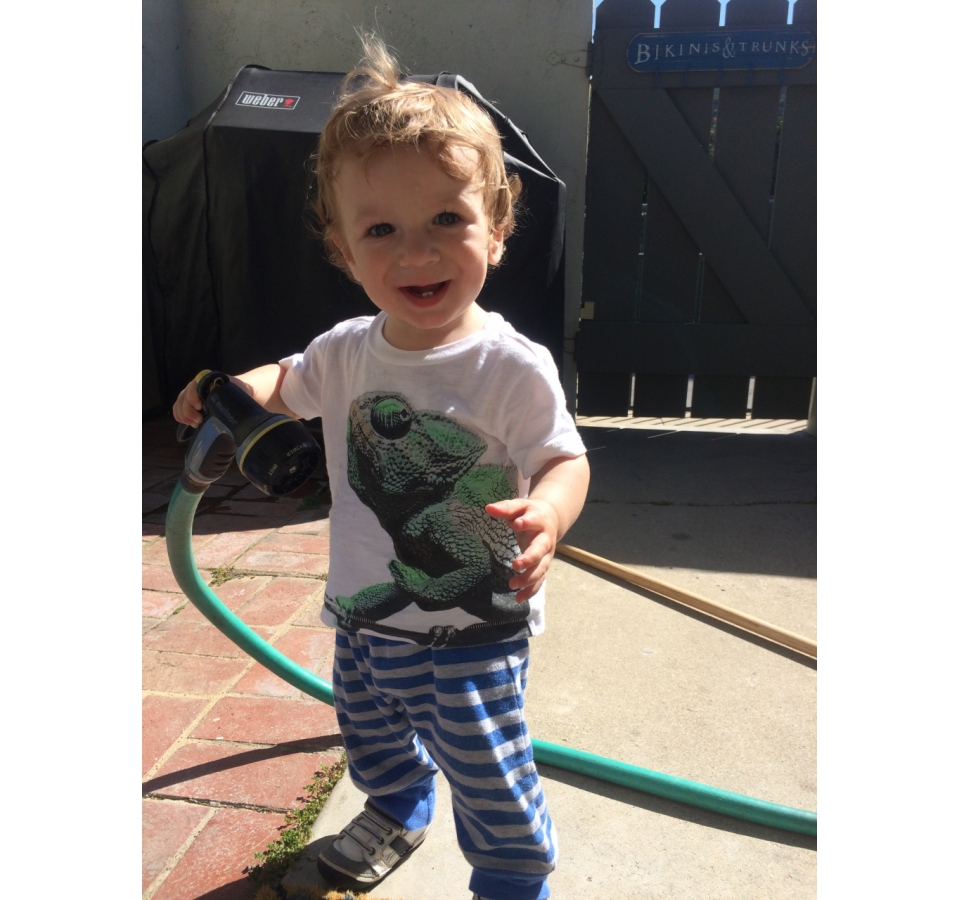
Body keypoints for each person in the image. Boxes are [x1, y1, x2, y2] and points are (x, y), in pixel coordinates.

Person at [174, 36, 589, 900]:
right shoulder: (346, 350)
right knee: (369, 729)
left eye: (447, 220)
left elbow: (562, 457)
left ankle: (513, 874)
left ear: (498, 230)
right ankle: (397, 805)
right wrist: (238, 392)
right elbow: (289, 378)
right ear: (343, 249)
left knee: (486, 766)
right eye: (382, 230)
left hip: (475, 625)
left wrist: (549, 511)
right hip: (368, 611)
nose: (417, 253)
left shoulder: (510, 365)